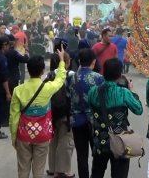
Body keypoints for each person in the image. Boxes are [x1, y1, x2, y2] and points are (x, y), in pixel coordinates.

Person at [9, 49, 66, 178]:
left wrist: (14, 137)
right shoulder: (48, 88)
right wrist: (62, 61)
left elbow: (14, 117)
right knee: (39, 170)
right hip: (42, 134)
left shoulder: (18, 90)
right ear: (42, 71)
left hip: (23, 135)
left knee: (23, 169)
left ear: (28, 70)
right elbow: (60, 79)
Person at [88, 58, 143, 178]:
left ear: (104, 72)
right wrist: (131, 91)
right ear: (120, 74)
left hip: (99, 142)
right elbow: (139, 110)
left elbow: (90, 110)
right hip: (120, 142)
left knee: (97, 173)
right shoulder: (123, 92)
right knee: (119, 174)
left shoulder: (93, 92)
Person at [68, 48, 104, 178]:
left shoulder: (71, 77)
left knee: (81, 155)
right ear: (93, 62)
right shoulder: (98, 78)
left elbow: (69, 97)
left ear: (79, 61)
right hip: (94, 121)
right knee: (97, 153)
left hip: (76, 121)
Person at [46, 52, 75, 178]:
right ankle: (62, 170)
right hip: (66, 114)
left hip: (52, 113)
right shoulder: (71, 75)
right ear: (68, 62)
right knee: (65, 140)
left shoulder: (51, 74)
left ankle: (52, 168)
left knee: (53, 140)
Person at [0, 36, 11, 139]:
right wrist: (7, 92)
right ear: (3, 45)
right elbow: (4, 77)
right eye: (8, 45)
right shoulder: (2, 58)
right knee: (0, 109)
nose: (9, 47)